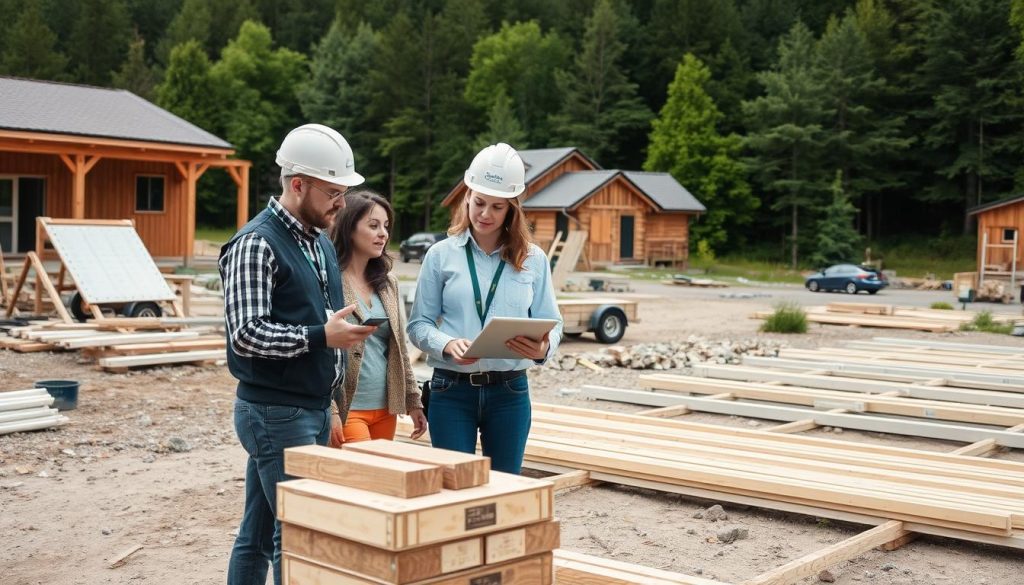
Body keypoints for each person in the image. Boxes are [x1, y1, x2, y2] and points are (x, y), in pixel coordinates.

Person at [219, 123, 376, 585]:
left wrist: (328, 400)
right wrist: (319, 337)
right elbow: (246, 334)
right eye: (332, 192)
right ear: (297, 184)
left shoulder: (318, 243)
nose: (341, 203)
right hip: (273, 410)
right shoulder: (256, 243)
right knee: (300, 535)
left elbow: (315, 318)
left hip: (303, 407)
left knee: (259, 530)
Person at [407, 142, 562, 474]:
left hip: (510, 391)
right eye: (479, 203)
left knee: (506, 487)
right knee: (455, 487)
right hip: (452, 390)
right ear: (466, 196)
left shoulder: (534, 260)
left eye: (497, 207)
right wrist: (446, 344)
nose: (485, 214)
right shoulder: (440, 255)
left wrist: (543, 346)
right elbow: (418, 324)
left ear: (512, 210)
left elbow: (553, 322)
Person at [327, 189, 428, 445]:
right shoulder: (329, 281)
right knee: (360, 480)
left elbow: (399, 348)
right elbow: (321, 352)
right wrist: (330, 409)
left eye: (385, 226)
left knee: (380, 482)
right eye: (373, 226)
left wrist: (413, 400)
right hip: (349, 406)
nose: (383, 233)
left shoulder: (388, 283)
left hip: (386, 408)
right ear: (348, 227)